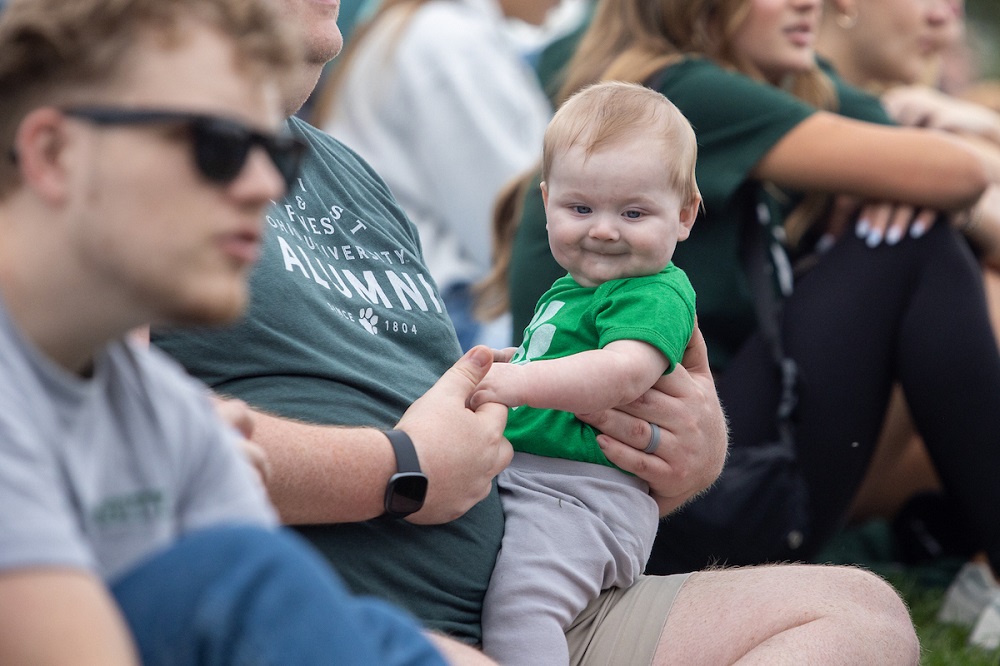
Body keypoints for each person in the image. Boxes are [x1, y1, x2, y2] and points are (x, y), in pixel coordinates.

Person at [153, 0, 922, 662]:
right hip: (351, 613)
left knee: (860, 616)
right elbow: (105, 445)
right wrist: (399, 466)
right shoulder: (134, 170)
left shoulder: (344, 171)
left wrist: (678, 450)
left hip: (532, 575)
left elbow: (441, 388)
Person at [0, 0, 452, 664]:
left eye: (279, 153)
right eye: (219, 147)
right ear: (54, 151)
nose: (266, 186)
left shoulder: (166, 413)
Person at [498, 0, 1000, 588]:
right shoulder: (679, 98)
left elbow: (961, 173)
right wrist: (927, 189)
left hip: (698, 468)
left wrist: (958, 136)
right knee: (913, 247)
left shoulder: (784, 84)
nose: (814, 3)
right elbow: (959, 176)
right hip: (639, 490)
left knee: (919, 235)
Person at [475, 81, 700, 665]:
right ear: (545, 200)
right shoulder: (572, 287)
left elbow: (622, 373)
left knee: (522, 608)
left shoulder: (654, 292)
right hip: (540, 481)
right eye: (580, 209)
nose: (603, 229)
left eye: (633, 212)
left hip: (588, 495)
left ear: (684, 214)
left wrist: (514, 383)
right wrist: (505, 370)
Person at [817, 0, 1000, 649]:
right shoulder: (808, 108)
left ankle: (982, 567)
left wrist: (978, 130)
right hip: (805, 445)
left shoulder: (923, 112)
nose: (946, 19)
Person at [308, 0, 557, 349]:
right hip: (440, 310)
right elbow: (510, 222)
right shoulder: (450, 40)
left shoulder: (423, 26)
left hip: (400, 297)